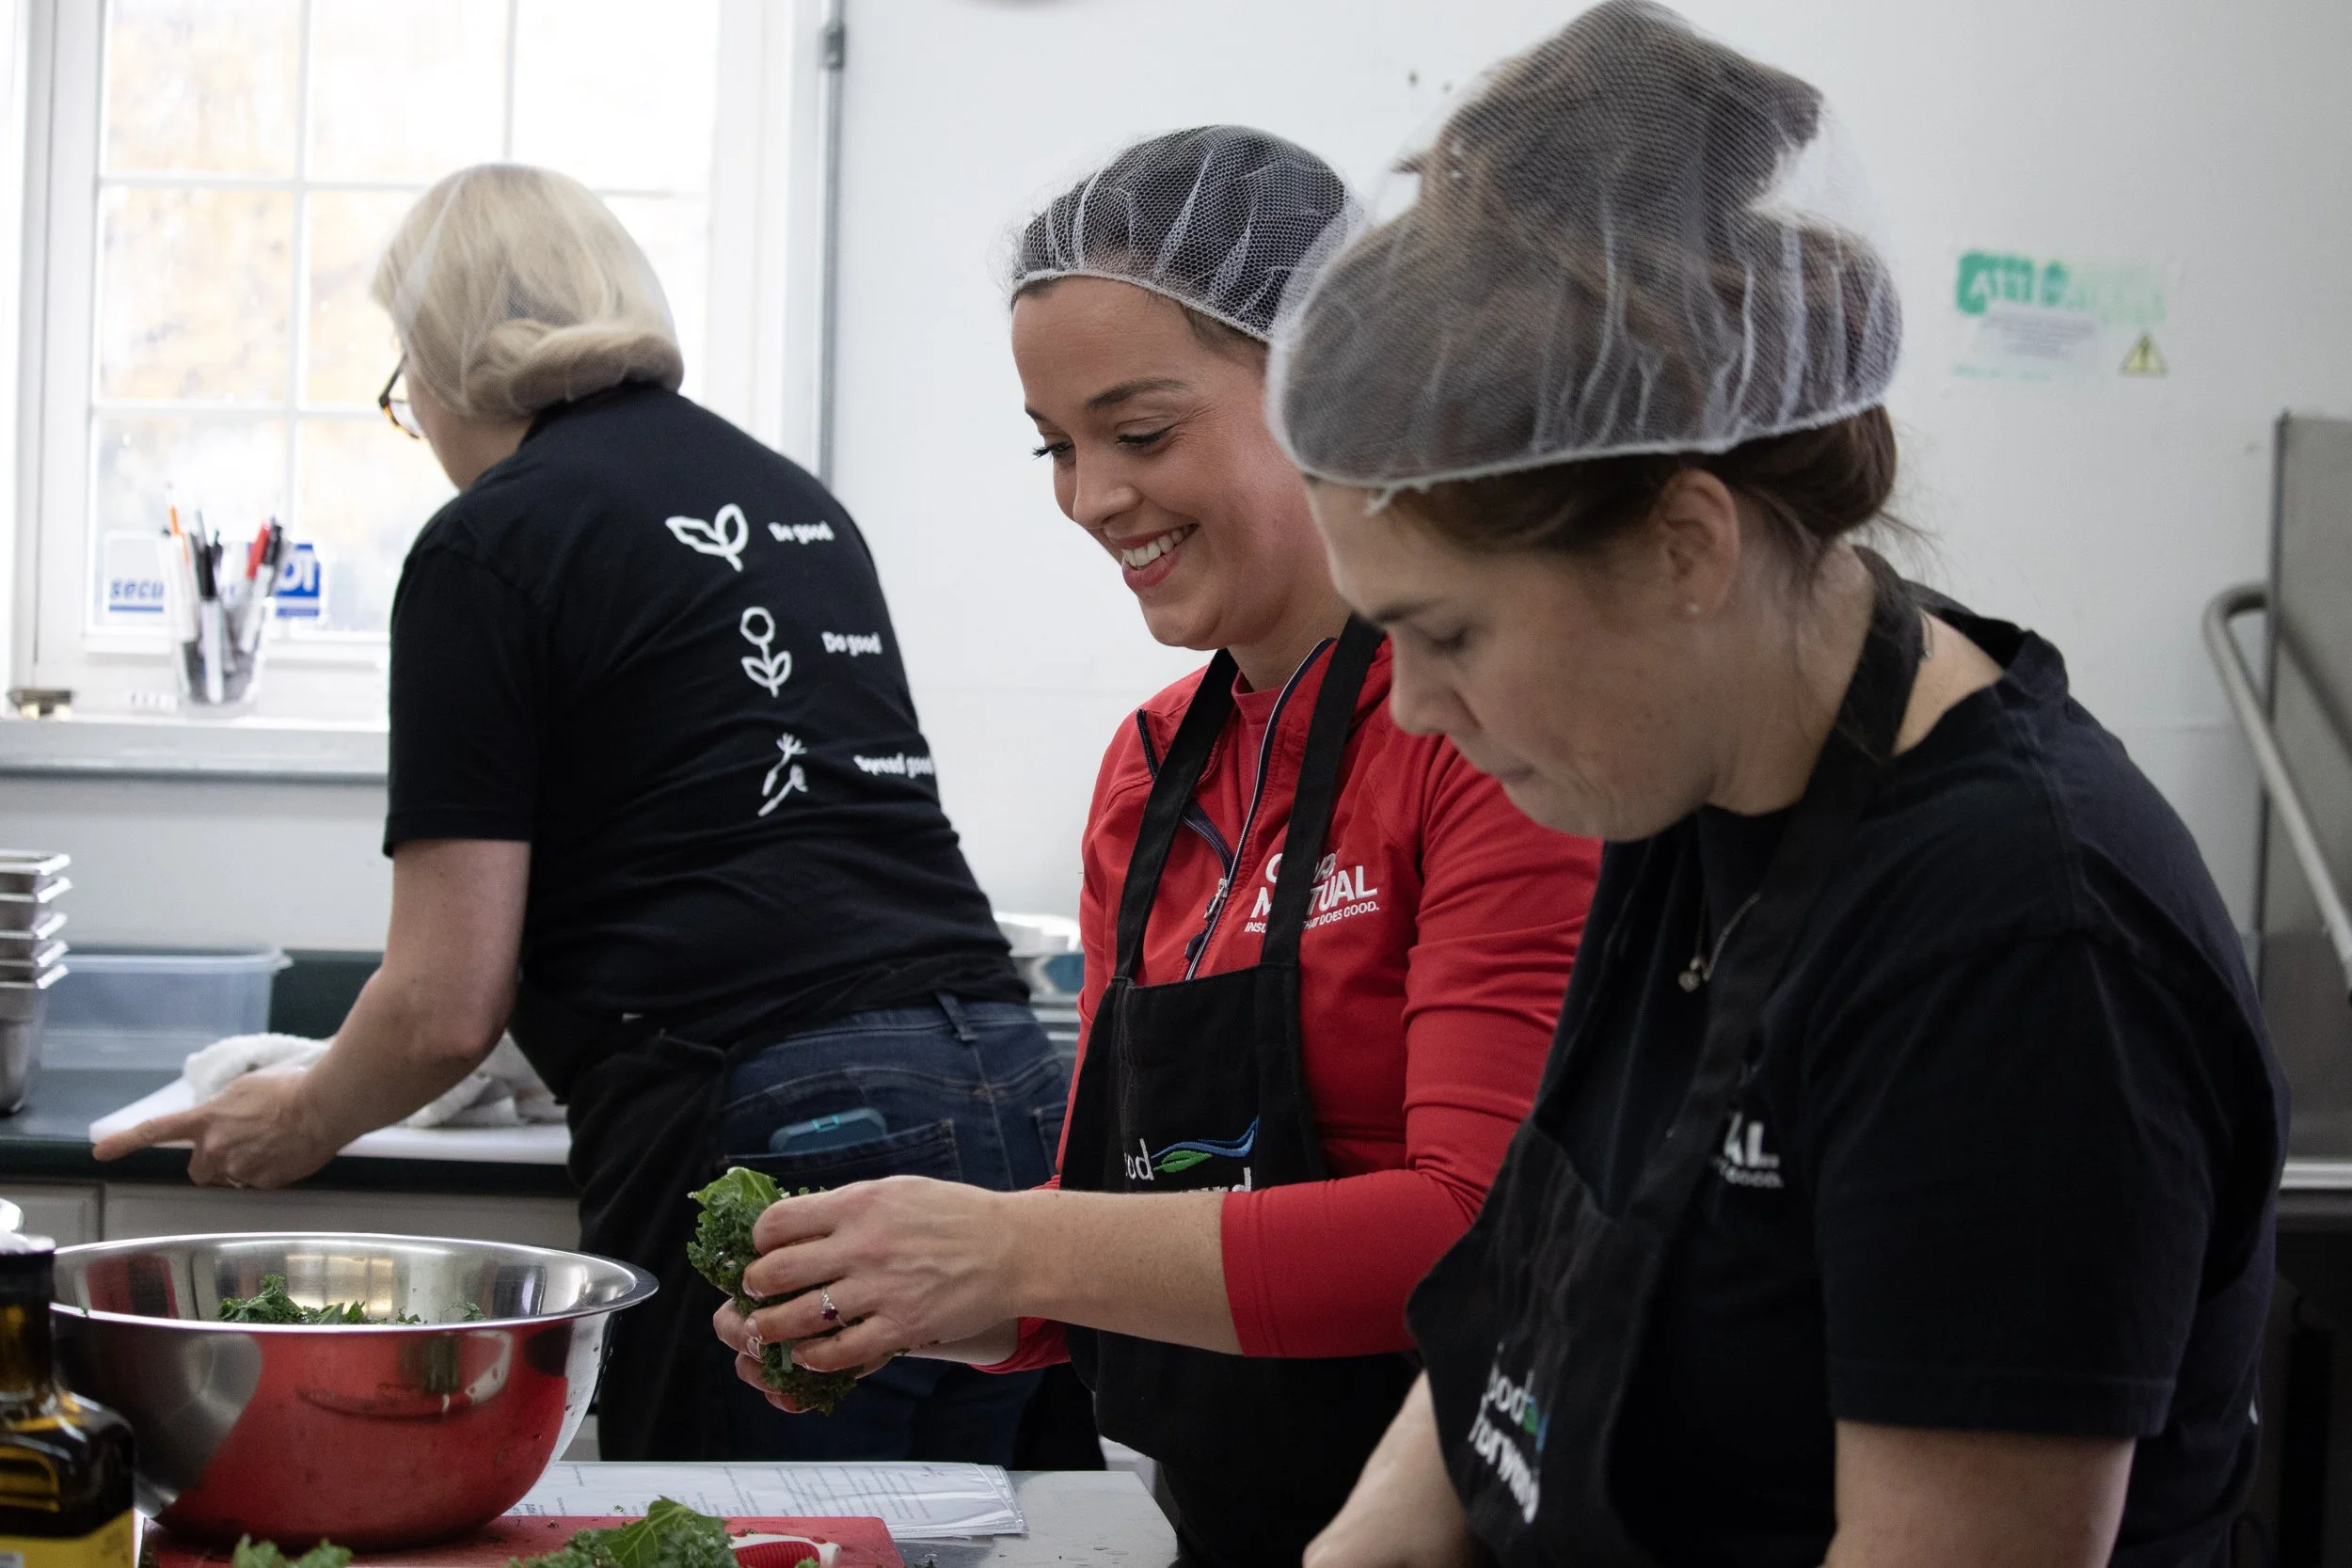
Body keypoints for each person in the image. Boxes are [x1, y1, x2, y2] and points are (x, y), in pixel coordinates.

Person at [1260, 7, 2289, 1566]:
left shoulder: (2019, 948)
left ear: (1687, 543)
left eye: (1449, 633)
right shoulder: (1686, 778)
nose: (1409, 707)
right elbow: (1529, 1317)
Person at [707, 128, 1604, 1566]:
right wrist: (903, 1288)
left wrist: (1014, 1244)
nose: (1090, 498)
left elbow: (1479, 1233)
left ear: (1332, 384)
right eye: (1056, 447)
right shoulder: (1148, 773)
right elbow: (1122, 1233)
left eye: (1138, 433)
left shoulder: (1485, 734)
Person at [91, 165, 1066, 1466]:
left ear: (445, 361)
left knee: (745, 1545)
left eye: (404, 382)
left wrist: (304, 1114)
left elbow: (444, 1005)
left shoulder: (491, 543)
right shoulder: (794, 502)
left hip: (775, 1119)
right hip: (1013, 1086)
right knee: (987, 1535)